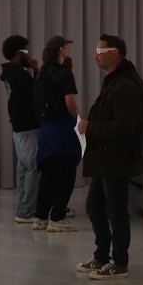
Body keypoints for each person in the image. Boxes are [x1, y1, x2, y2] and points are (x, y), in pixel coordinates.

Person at [78, 34, 143, 281]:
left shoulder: (126, 85)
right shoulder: (114, 82)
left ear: (114, 54)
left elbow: (123, 127)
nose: (95, 56)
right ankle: (101, 256)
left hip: (116, 160)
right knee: (94, 206)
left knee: (116, 210)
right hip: (104, 159)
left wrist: (91, 127)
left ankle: (119, 262)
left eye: (100, 51)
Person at [32, 35, 85, 232]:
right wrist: (78, 120)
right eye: (66, 47)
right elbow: (69, 102)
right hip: (63, 129)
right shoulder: (64, 73)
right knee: (65, 175)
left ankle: (40, 217)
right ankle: (57, 217)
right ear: (61, 49)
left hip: (46, 129)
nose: (67, 49)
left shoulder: (42, 72)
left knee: (47, 176)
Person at [0, 35, 41, 223]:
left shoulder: (11, 73)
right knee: (33, 167)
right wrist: (37, 71)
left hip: (19, 127)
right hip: (28, 127)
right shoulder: (19, 75)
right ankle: (27, 211)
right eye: (25, 51)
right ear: (18, 53)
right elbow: (37, 94)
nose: (28, 55)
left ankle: (23, 208)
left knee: (24, 168)